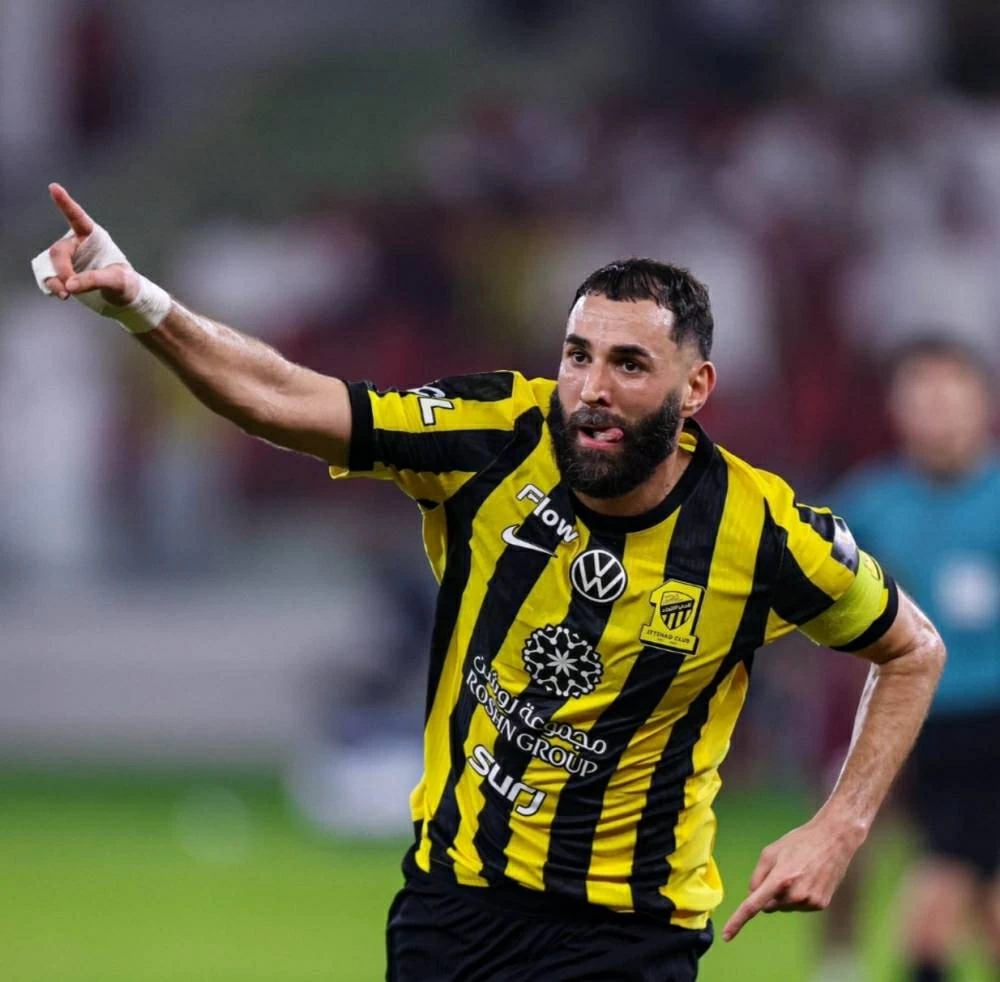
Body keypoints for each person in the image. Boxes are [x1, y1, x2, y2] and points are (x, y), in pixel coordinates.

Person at [31, 184, 945, 982]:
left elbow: (912, 651)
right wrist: (143, 304)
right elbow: (288, 397)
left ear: (696, 388)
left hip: (629, 933)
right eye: (578, 354)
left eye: (629, 364)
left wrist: (841, 825)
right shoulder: (498, 435)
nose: (591, 387)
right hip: (452, 910)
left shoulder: (762, 530)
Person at [830, 338, 999, 982]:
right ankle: (837, 961)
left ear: (983, 403)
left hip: (994, 720)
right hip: (919, 727)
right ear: (896, 409)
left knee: (937, 906)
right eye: (922, 395)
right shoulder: (869, 507)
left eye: (951, 393)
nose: (938, 409)